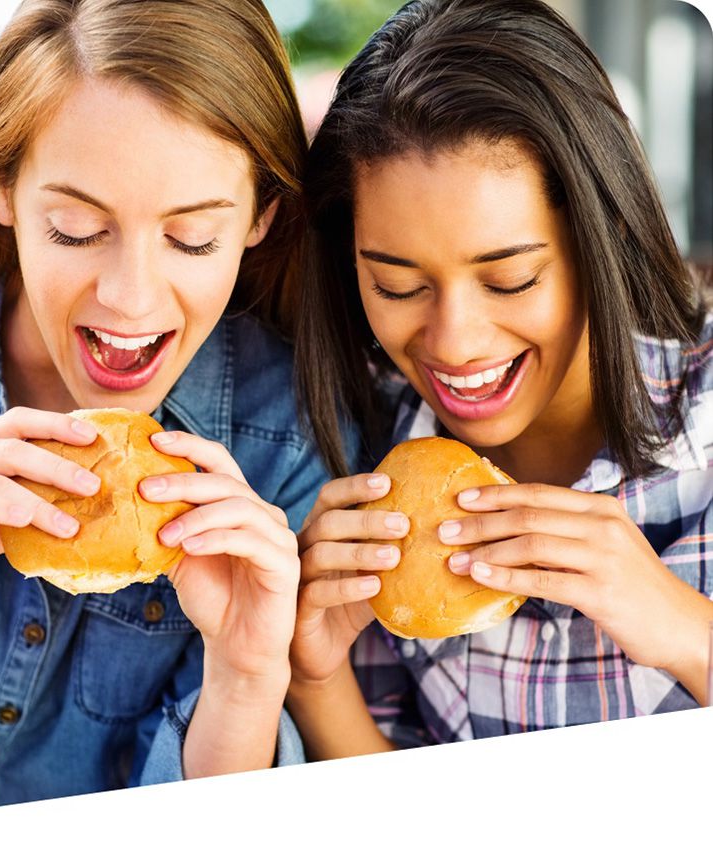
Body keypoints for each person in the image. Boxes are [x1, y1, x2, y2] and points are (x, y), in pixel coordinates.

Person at [0, 0, 333, 810]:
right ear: (2, 184)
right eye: (76, 228)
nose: (129, 298)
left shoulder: (284, 441)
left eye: (191, 239)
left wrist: (248, 677)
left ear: (260, 217)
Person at [287, 0, 712, 757]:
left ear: (602, 235)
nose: (454, 342)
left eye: (511, 279)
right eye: (397, 286)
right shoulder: (365, 460)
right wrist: (317, 680)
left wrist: (690, 634)